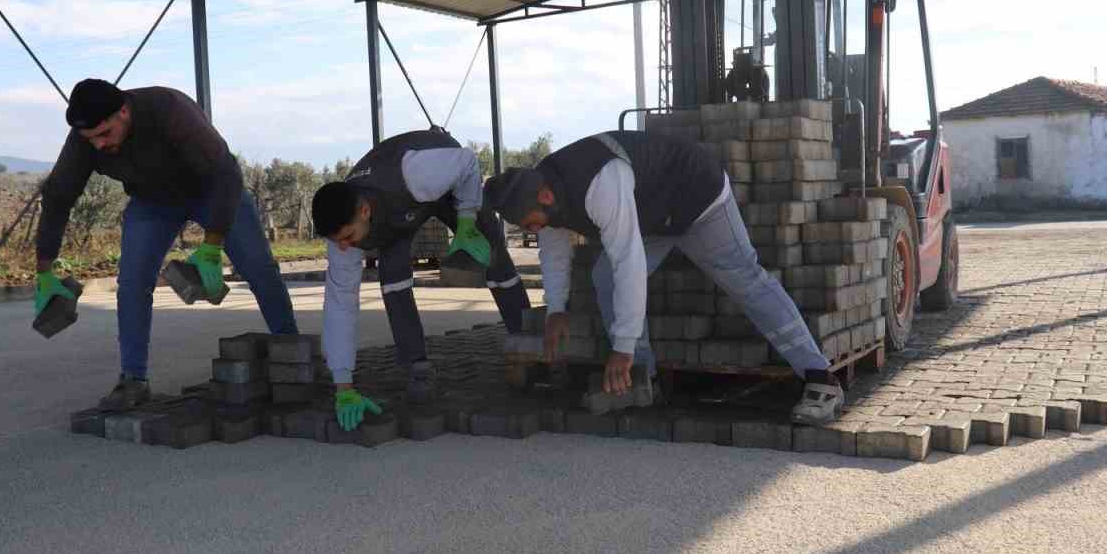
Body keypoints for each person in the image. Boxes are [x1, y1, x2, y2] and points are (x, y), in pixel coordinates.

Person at [483, 130, 843, 422]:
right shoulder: (543, 191)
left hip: (699, 200)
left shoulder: (599, 183)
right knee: (604, 277)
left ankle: (819, 378)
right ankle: (641, 376)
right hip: (654, 216)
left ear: (545, 197)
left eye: (530, 222)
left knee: (746, 280)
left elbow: (629, 261)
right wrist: (556, 308)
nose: (531, 230)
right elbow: (554, 250)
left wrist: (621, 345)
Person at [33, 79, 298, 409]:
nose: (99, 145)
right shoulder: (85, 140)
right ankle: (133, 380)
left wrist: (212, 246)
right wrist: (45, 270)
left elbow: (225, 174)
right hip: (152, 202)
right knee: (131, 284)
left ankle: (295, 354)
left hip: (211, 190)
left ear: (124, 111)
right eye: (91, 139)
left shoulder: (170, 110)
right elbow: (58, 195)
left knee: (258, 266)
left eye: (104, 134)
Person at [311, 127, 529, 431]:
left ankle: (529, 345)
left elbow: (466, 161)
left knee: (493, 256)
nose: (344, 247)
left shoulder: (418, 172)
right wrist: (343, 387)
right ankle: (417, 367)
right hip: (399, 210)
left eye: (348, 237)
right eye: (338, 241)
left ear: (363, 211)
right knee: (393, 279)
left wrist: (466, 221)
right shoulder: (342, 237)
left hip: (449, 182)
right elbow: (340, 306)